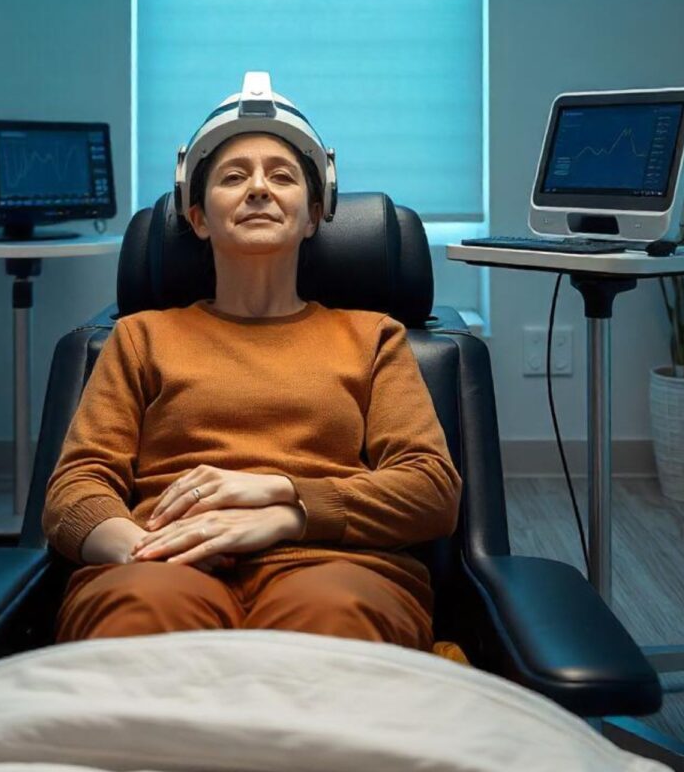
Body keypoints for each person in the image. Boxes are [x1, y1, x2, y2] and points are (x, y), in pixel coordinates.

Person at [42, 72, 464, 658]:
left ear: (314, 214)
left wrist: (285, 505)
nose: (259, 189)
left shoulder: (373, 337)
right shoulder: (141, 337)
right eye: (234, 176)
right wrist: (148, 549)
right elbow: (75, 490)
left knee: (329, 624)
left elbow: (431, 490)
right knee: (141, 618)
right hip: (161, 559)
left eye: (283, 176)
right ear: (197, 217)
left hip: (332, 565)